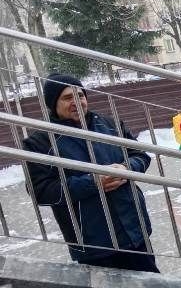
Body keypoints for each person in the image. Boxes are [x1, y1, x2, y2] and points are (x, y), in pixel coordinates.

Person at [23, 74, 159, 272]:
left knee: (153, 287)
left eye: (80, 95)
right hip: (93, 242)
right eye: (68, 97)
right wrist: (92, 182)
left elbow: (140, 155)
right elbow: (40, 191)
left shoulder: (109, 125)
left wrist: (126, 168)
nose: (77, 102)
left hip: (133, 229)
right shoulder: (40, 142)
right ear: (53, 104)